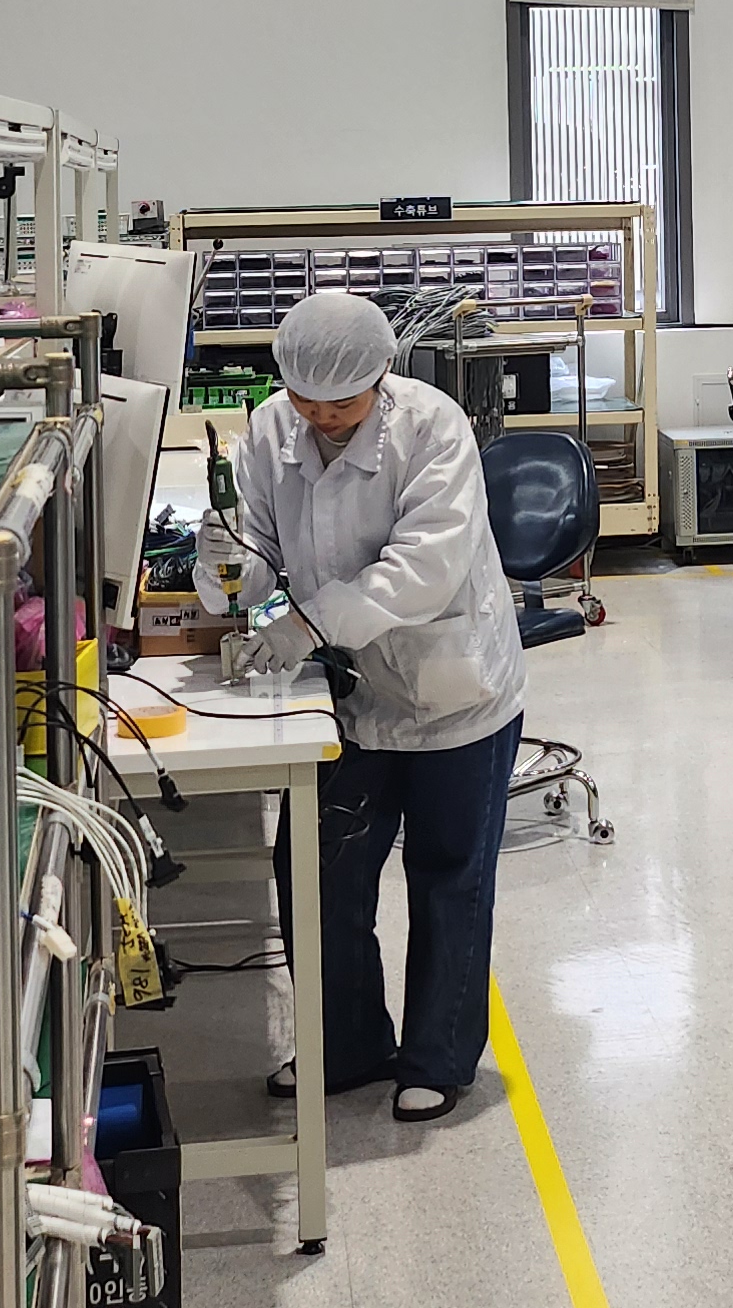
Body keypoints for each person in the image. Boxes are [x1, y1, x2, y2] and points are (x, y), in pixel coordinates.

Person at [204, 290, 525, 1124]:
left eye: (341, 403)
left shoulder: (432, 427)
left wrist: (310, 622)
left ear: (379, 377)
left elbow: (427, 567)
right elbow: (259, 549)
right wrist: (229, 566)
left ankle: (438, 1058)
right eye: (305, 400)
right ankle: (345, 1047)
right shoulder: (270, 430)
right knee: (318, 875)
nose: (321, 416)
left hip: (452, 688)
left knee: (449, 878)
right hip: (343, 695)